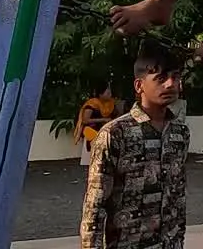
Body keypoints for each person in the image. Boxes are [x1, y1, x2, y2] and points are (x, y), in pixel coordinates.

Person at [80, 45, 188, 249]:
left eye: (175, 77)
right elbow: (95, 205)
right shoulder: (114, 133)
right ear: (139, 86)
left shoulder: (180, 133)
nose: (171, 84)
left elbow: (178, 194)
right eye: (161, 78)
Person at [75, 82, 120, 167]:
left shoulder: (111, 103)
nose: (110, 94)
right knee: (99, 136)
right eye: (107, 93)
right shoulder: (92, 104)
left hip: (104, 127)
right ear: (100, 94)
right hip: (89, 127)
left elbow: (116, 116)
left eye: (110, 92)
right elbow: (85, 120)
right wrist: (103, 119)